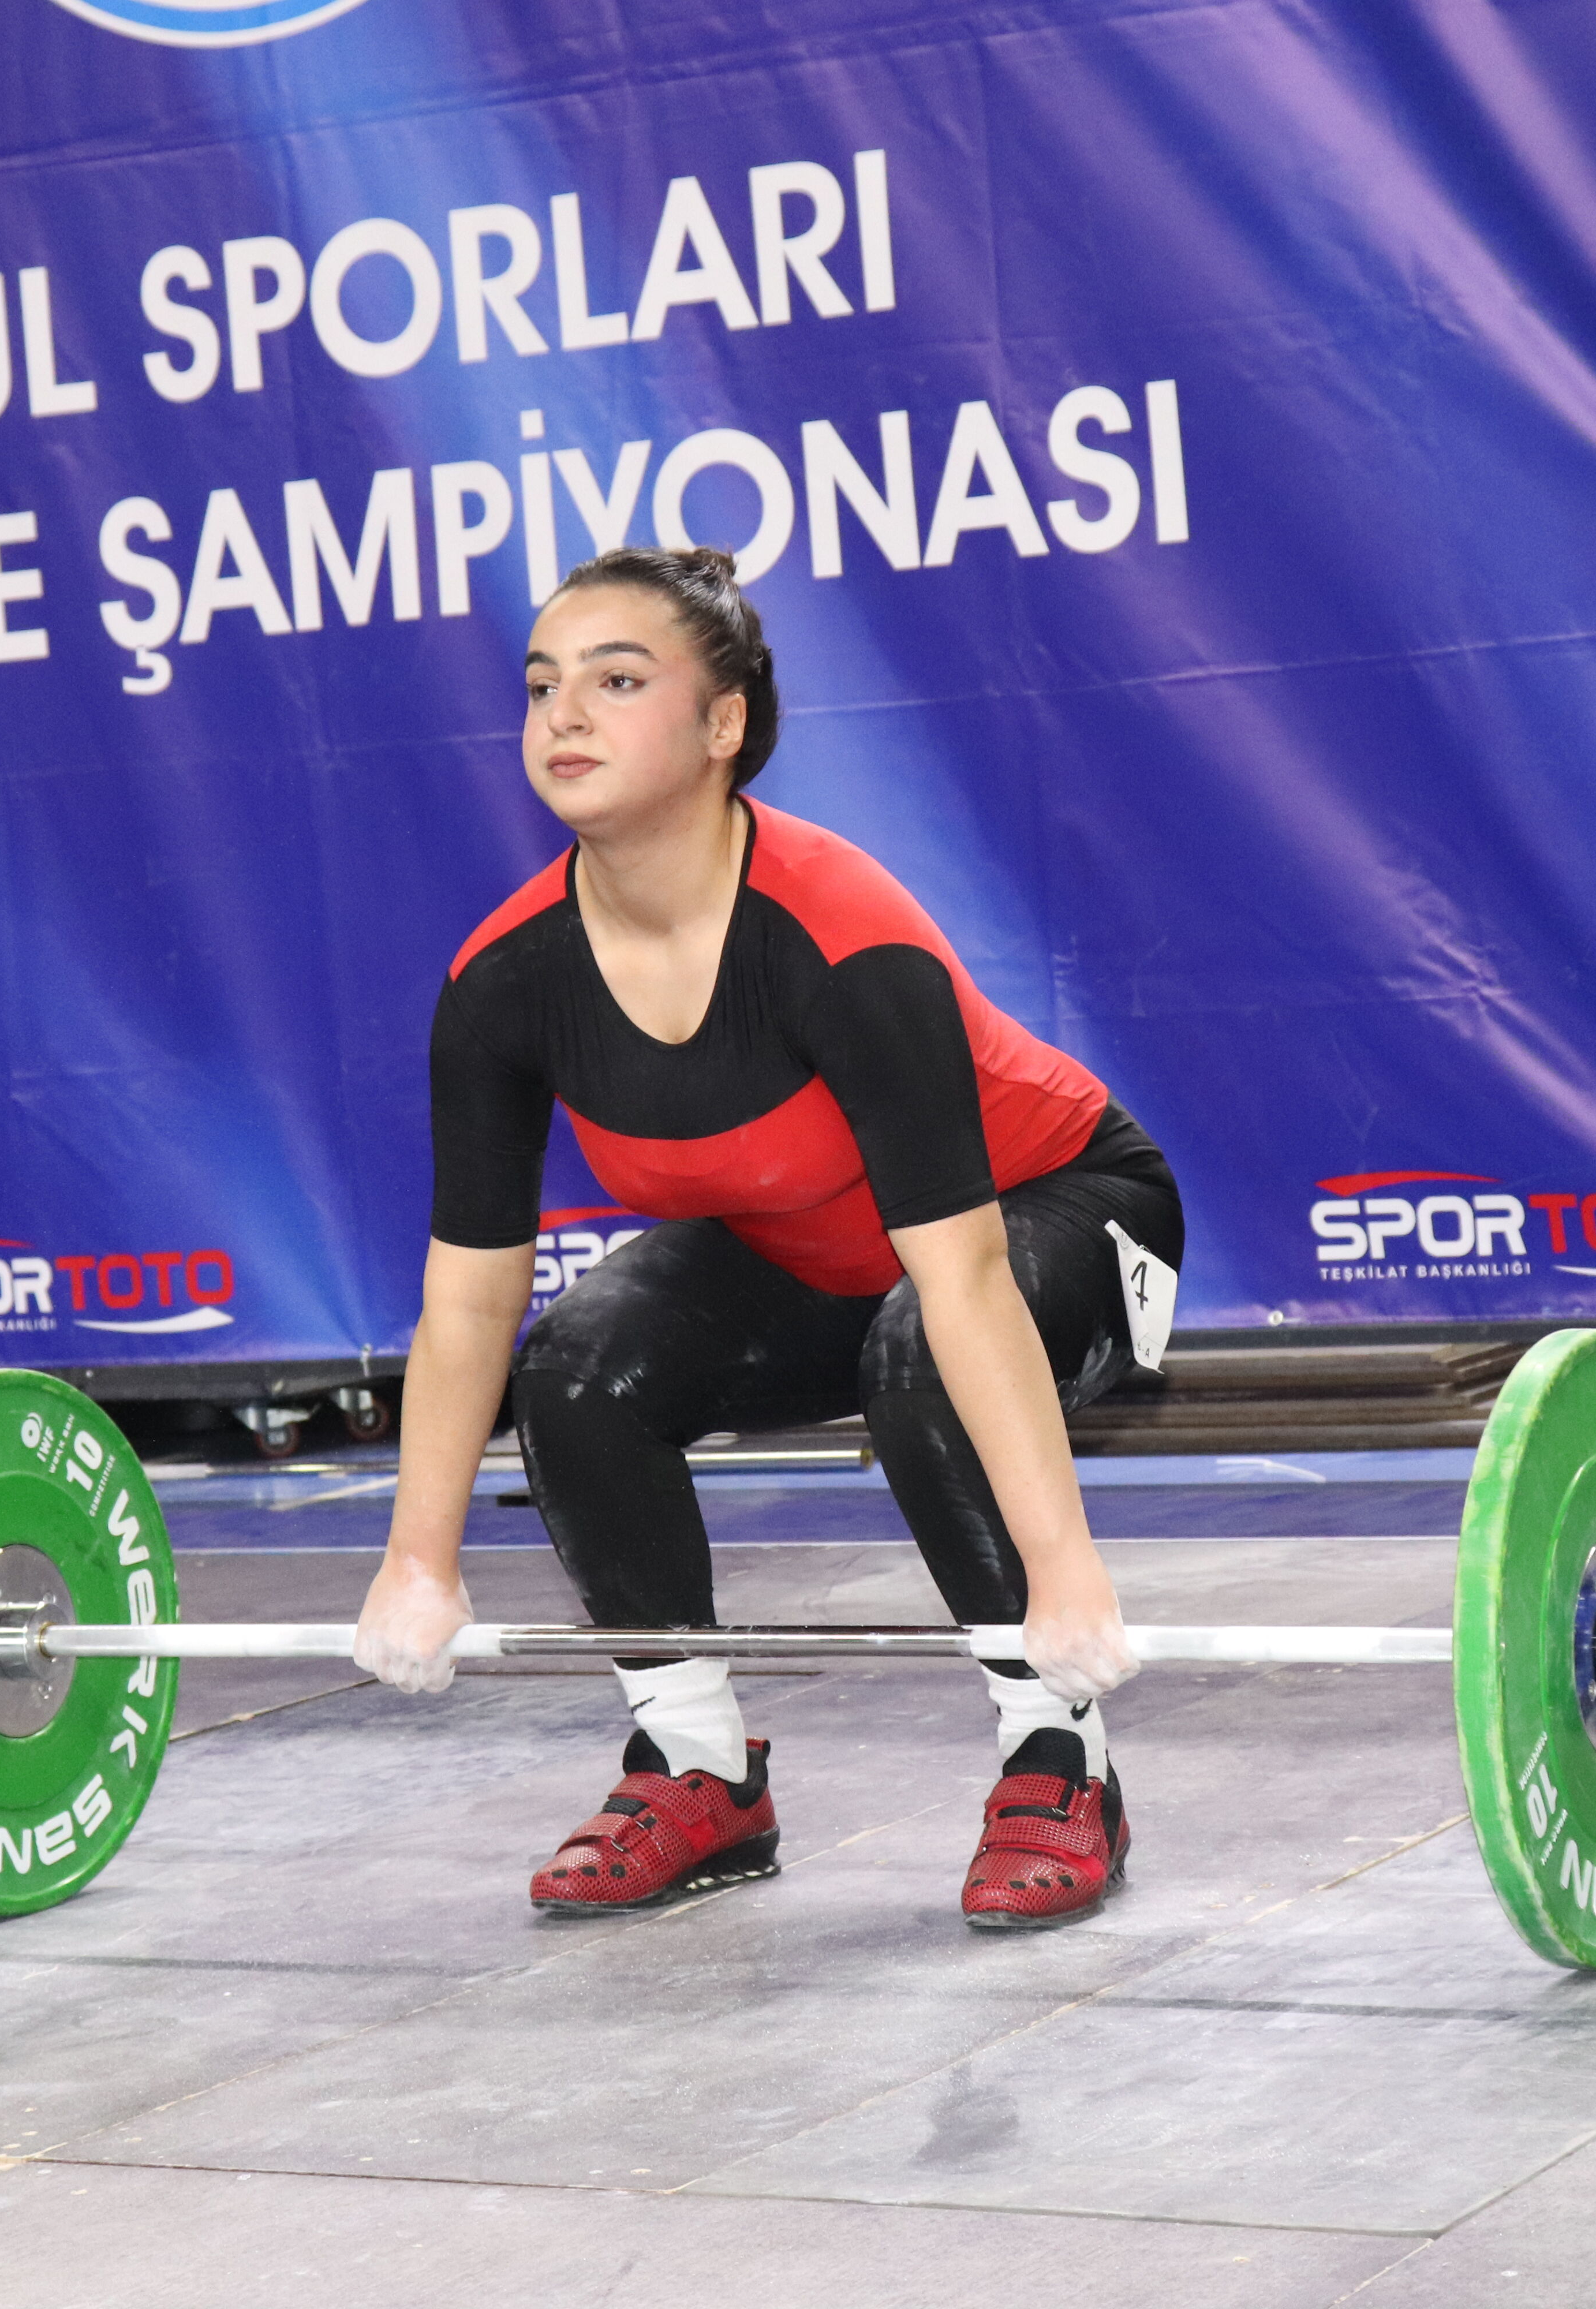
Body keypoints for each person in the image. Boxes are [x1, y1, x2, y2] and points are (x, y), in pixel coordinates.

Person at [350, 544, 1186, 1930]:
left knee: (924, 1350)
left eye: (617, 681)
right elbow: (467, 1303)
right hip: (818, 1249)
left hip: (1061, 1208)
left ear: (722, 723)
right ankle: (696, 1767)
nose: (563, 714)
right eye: (543, 684)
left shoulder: (844, 939)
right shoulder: (503, 983)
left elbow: (966, 1274)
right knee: (574, 1363)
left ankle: (1058, 1753)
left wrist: (1064, 1572)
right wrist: (415, 1559)